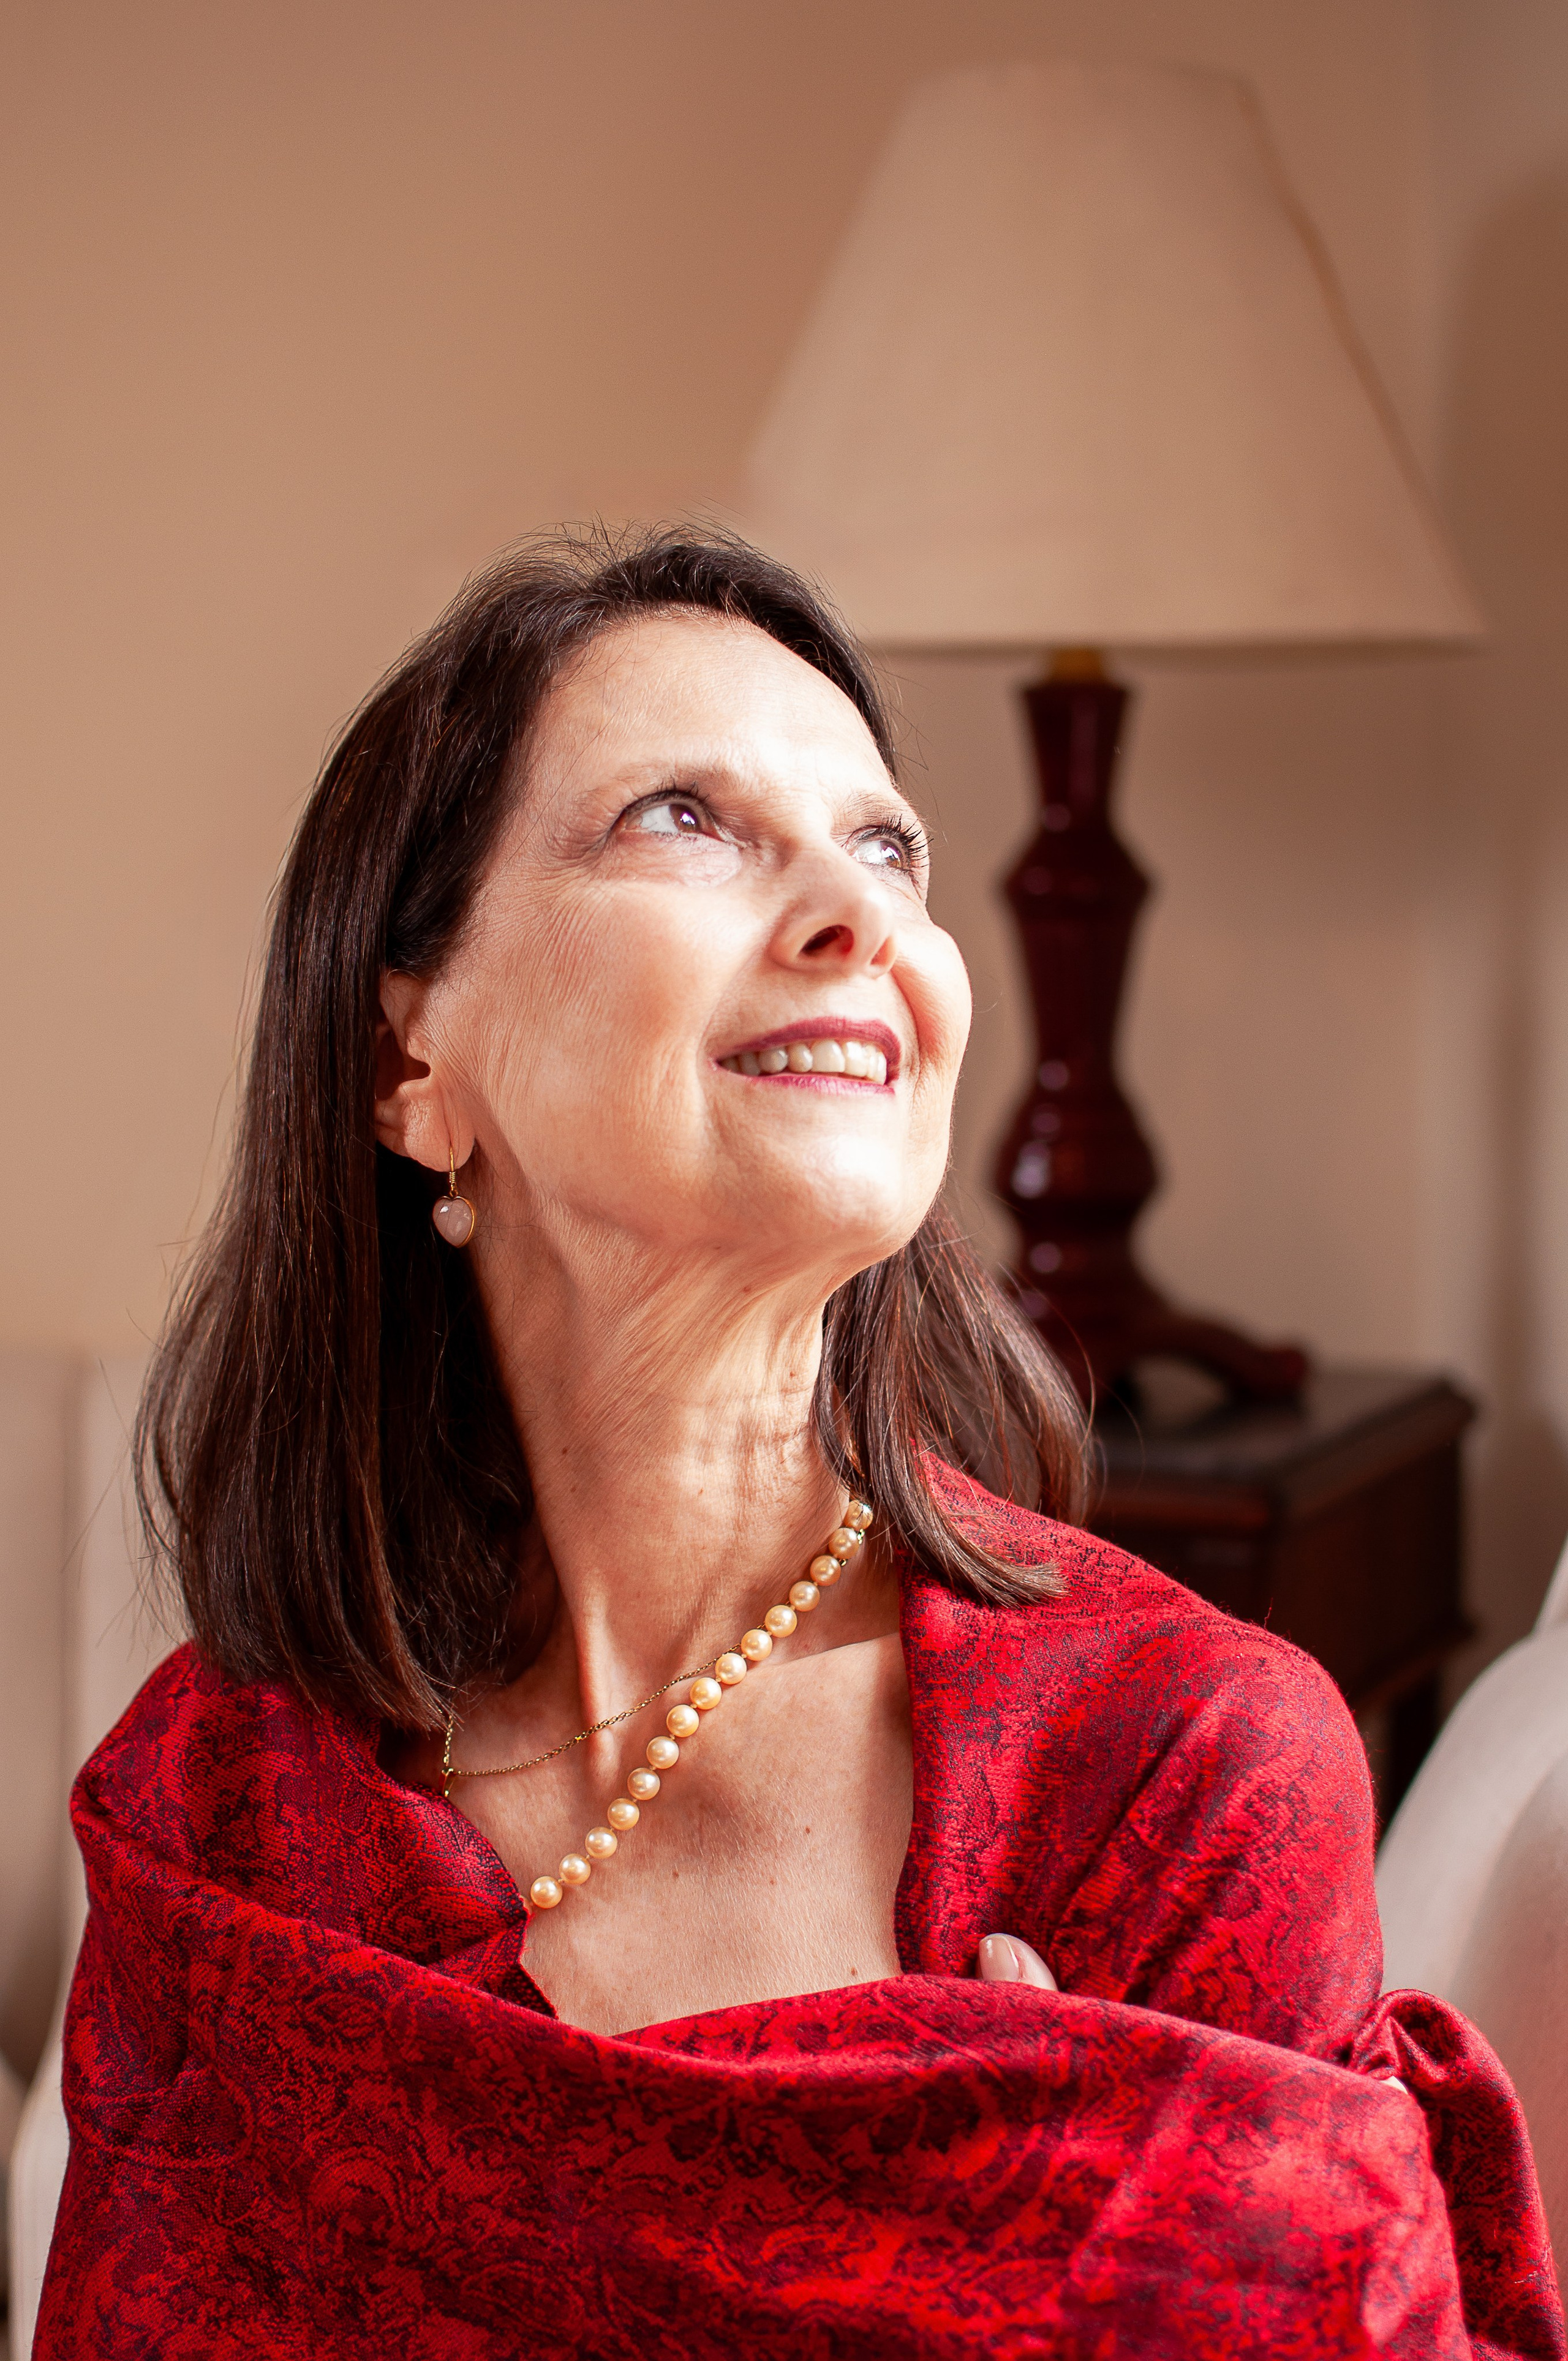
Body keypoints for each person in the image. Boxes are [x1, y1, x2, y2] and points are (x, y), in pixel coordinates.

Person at [37, 532, 1562, 2358]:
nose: (860, 917)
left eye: (886, 845)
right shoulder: (225, 1805)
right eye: (684, 818)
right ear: (409, 1064)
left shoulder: (1182, 1767)